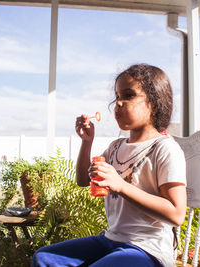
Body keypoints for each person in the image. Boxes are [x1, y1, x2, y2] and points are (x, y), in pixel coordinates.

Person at [31, 64, 187, 267]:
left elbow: (176, 214)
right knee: (44, 258)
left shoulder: (164, 149)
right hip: (110, 239)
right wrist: (86, 143)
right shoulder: (115, 147)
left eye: (129, 95)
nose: (119, 103)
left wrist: (121, 186)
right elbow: (82, 181)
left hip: (147, 249)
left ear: (155, 104)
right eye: (117, 96)